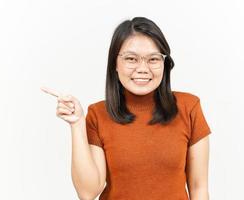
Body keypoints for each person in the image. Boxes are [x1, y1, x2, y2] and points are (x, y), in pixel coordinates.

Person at [51, 16, 212, 200]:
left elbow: (199, 187)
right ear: (115, 64)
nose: (143, 68)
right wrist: (77, 124)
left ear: (164, 63)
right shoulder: (97, 114)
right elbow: (88, 192)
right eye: (131, 59)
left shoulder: (189, 107)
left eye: (153, 59)